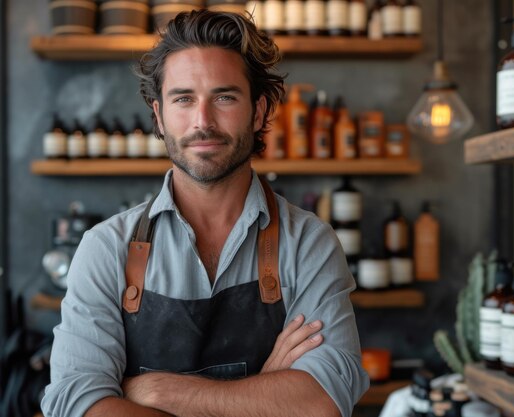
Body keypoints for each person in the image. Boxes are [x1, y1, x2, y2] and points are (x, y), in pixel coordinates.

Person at [41, 10, 369, 417]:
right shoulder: (106, 248)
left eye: (225, 97)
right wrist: (265, 392)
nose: (203, 121)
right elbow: (77, 404)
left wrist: (161, 393)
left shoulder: (309, 244)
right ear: (159, 117)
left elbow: (323, 399)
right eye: (183, 99)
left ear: (261, 111)